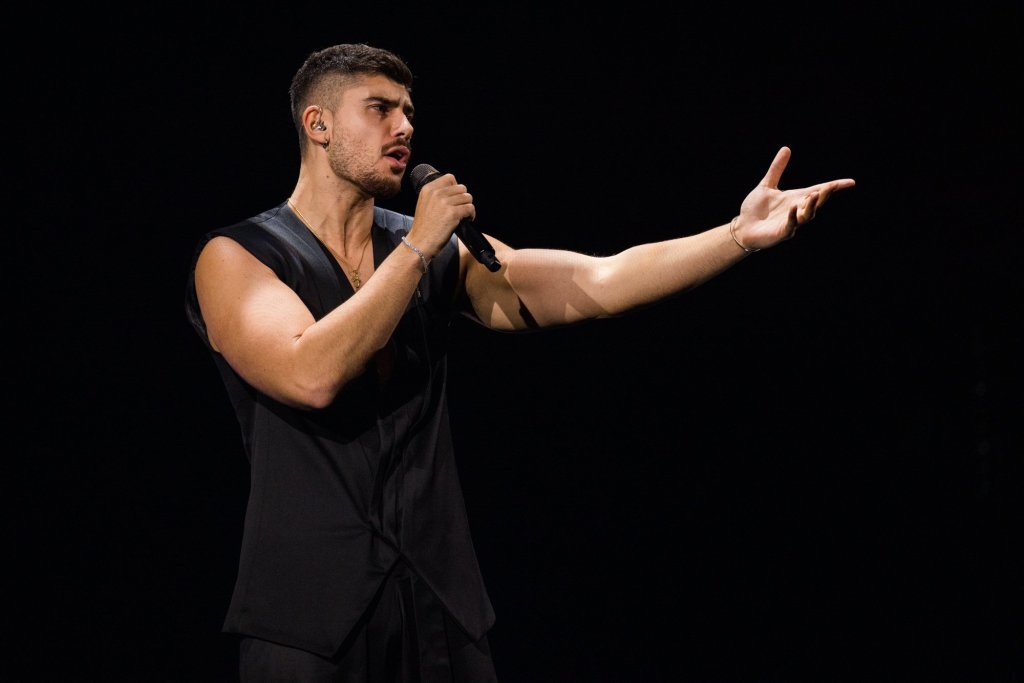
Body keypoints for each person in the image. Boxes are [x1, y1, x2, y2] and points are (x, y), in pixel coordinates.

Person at [184, 42, 855, 682]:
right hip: (308, 622)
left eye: (409, 111)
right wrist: (419, 246)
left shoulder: (433, 250)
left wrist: (737, 236)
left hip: (439, 605)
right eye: (380, 108)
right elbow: (310, 374)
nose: (404, 126)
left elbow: (599, 281)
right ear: (319, 124)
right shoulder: (240, 256)